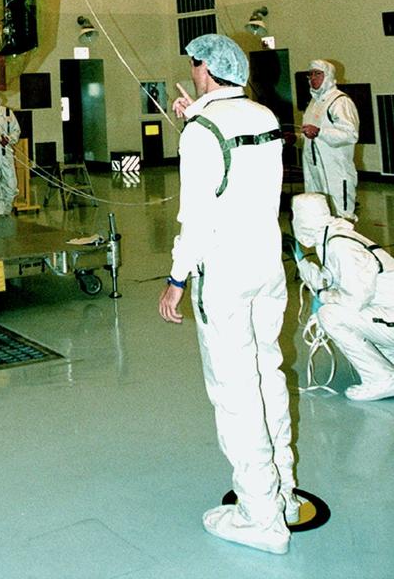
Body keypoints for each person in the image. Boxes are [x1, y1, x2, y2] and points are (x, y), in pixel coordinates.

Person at [158, 33, 295, 556]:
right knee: (268, 373)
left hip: (227, 276)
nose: (192, 73)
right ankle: (280, 487)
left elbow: (197, 218)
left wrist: (175, 280)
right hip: (268, 267)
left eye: (194, 66)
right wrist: (197, 117)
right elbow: (237, 163)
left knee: (236, 393)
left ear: (206, 70)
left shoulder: (201, 131)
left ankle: (261, 518)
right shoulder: (262, 116)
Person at [292, 192, 394, 401]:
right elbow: (336, 281)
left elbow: (354, 300)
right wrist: (308, 270)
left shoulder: (340, 246)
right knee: (350, 313)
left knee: (331, 315)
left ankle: (382, 378)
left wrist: (324, 295)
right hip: (387, 313)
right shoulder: (332, 239)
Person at [301, 59, 360, 220]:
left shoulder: (340, 101)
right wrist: (296, 137)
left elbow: (350, 134)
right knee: (319, 215)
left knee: (342, 215)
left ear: (328, 76)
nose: (313, 78)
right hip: (314, 169)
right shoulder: (314, 103)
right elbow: (311, 134)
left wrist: (320, 132)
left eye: (318, 74)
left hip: (335, 171)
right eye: (310, 74)